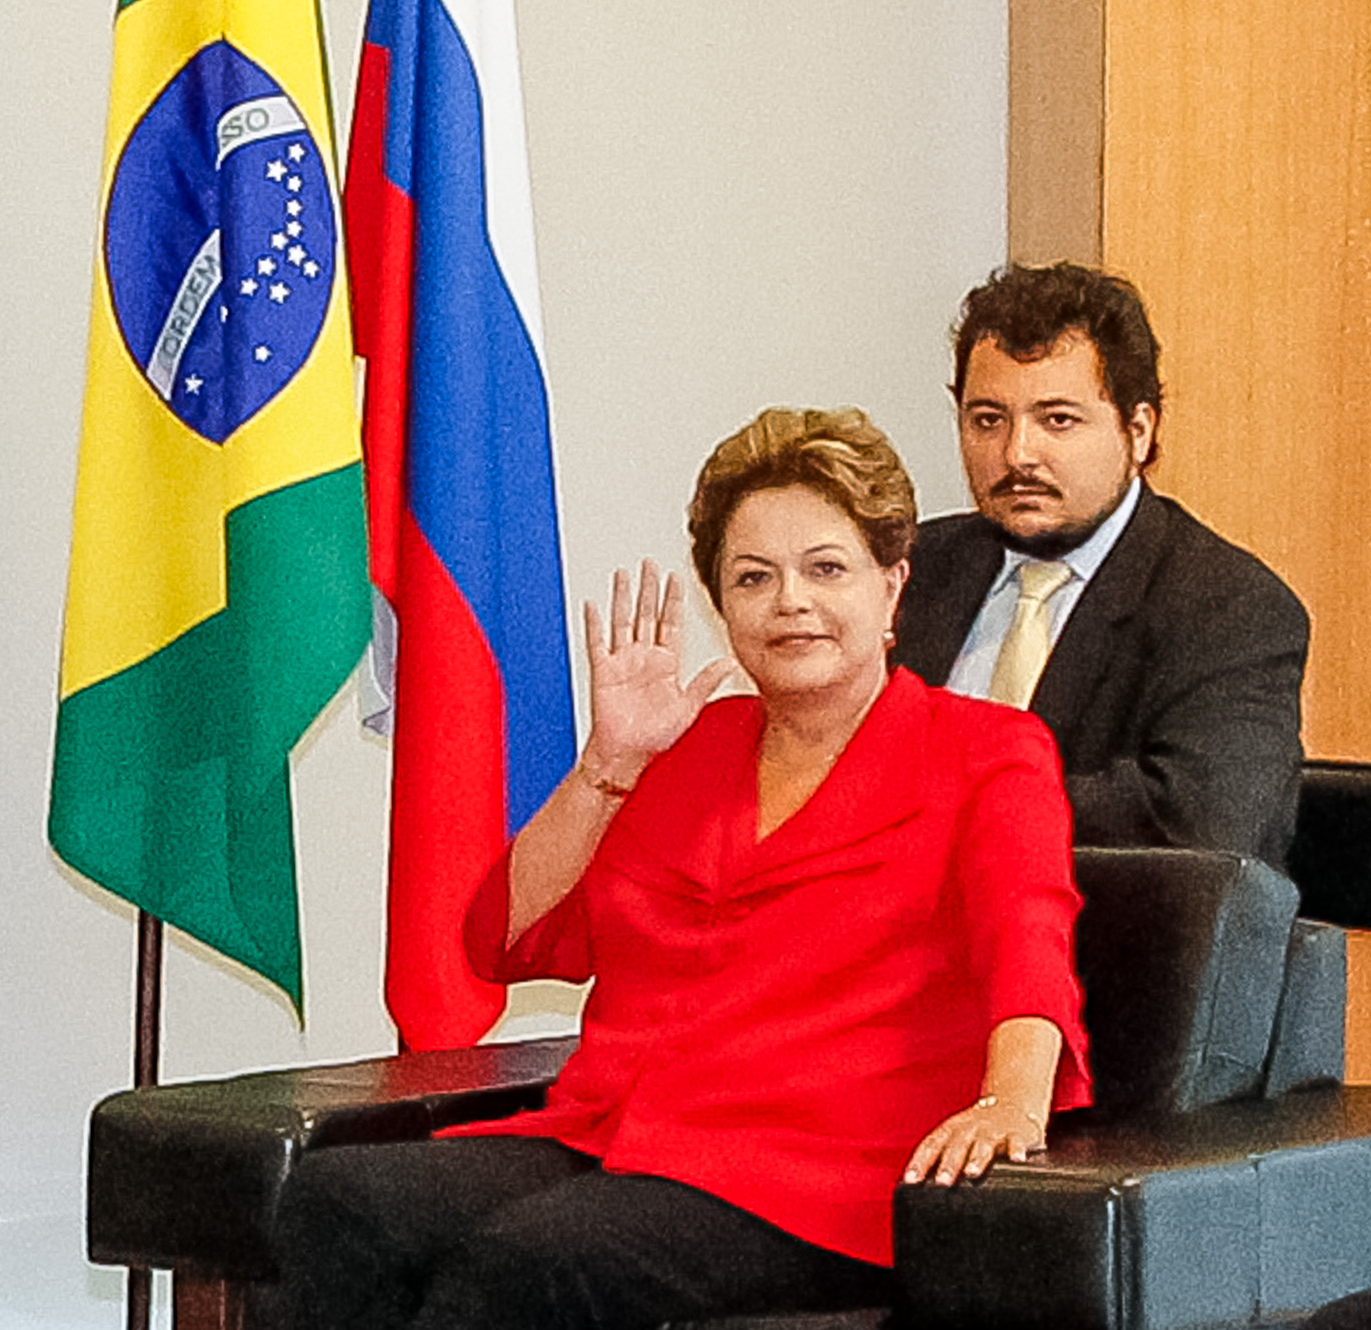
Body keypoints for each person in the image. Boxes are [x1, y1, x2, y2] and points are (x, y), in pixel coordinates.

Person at [268, 408, 1089, 1330]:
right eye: (754, 577)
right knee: (341, 1202)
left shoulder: (987, 752)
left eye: (826, 569)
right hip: (615, 1131)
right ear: (721, 605)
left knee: (535, 1262)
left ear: (892, 587)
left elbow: (1029, 941)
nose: (791, 601)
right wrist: (608, 765)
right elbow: (504, 940)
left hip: (819, 1172)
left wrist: (1012, 1102)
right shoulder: (687, 748)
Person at [899, 262, 1306, 863]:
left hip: (1093, 922)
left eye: (1057, 420)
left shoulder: (1229, 607)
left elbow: (1198, 824)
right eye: (988, 420)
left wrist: (947, 806)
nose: (1017, 454)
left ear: (1137, 430)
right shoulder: (911, 568)